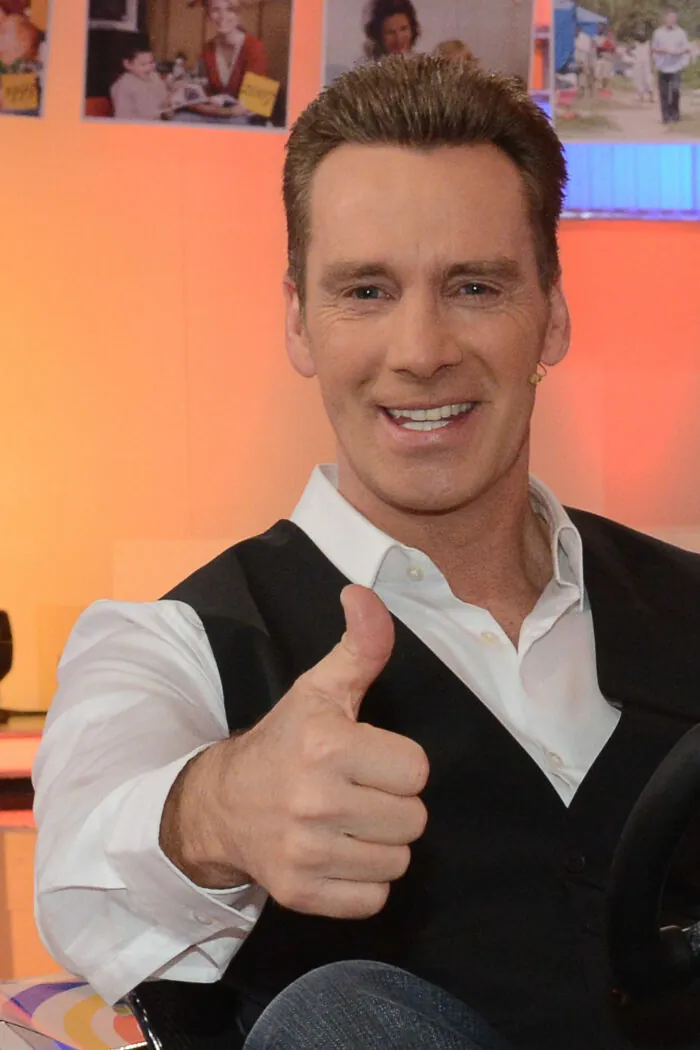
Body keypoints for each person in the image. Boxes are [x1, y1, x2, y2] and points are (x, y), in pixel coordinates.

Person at [33, 55, 700, 1050]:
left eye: (474, 286)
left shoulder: (686, 602)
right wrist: (218, 809)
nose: (421, 350)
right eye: (367, 291)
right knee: (338, 1016)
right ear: (299, 321)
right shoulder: (174, 643)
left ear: (552, 316)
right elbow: (82, 859)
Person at [198, 0, 267, 108]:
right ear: (208, 15)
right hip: (216, 114)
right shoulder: (207, 49)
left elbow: (256, 103)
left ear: (239, 14)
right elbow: (202, 94)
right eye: (216, 10)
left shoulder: (255, 47)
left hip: (250, 116)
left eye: (230, 9)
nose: (223, 16)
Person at [110, 42, 169, 122]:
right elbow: (123, 120)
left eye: (151, 62)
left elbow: (164, 104)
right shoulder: (123, 86)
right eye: (143, 64)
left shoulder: (154, 77)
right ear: (127, 64)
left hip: (160, 122)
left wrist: (170, 101)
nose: (149, 68)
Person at [652, 7, 691, 124]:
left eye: (673, 18)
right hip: (662, 66)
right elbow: (653, 48)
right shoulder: (658, 33)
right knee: (663, 93)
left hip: (676, 66)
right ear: (665, 19)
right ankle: (666, 116)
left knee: (675, 90)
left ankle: (675, 114)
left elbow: (686, 48)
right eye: (669, 18)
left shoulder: (681, 33)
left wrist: (678, 52)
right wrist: (663, 50)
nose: (671, 20)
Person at [631, 32, 654, 104]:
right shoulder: (636, 43)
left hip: (646, 64)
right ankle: (641, 96)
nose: (642, 38)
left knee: (648, 80)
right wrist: (633, 55)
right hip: (638, 64)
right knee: (639, 80)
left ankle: (651, 96)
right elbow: (629, 49)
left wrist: (652, 64)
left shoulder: (648, 43)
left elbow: (651, 53)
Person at [573, 24, 593, 98]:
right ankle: (577, 91)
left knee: (584, 76)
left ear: (580, 30)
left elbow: (587, 50)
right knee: (576, 76)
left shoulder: (585, 38)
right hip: (575, 60)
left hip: (583, 60)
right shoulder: (572, 37)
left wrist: (583, 61)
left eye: (576, 30)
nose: (575, 31)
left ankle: (585, 91)